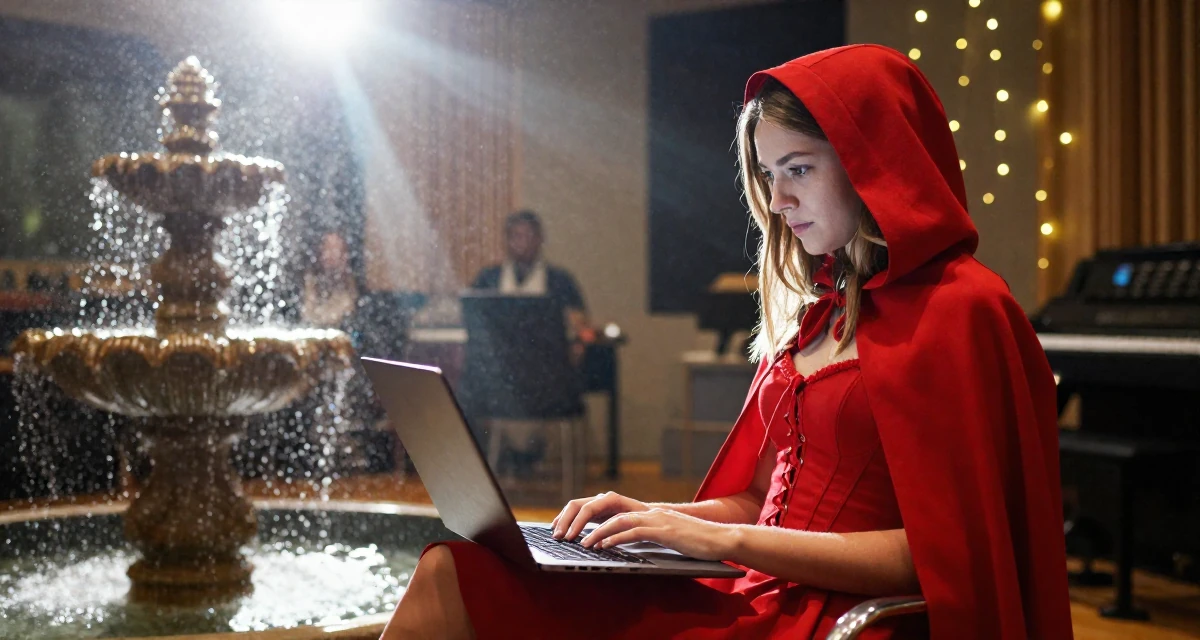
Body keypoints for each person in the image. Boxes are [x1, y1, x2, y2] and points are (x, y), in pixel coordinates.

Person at [381, 45, 1073, 639]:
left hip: (835, 620)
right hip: (755, 591)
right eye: (769, 175)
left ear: (873, 163)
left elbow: (946, 556)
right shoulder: (818, 311)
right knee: (455, 571)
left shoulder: (965, 309)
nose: (777, 201)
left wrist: (722, 540)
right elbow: (762, 497)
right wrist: (654, 517)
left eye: (798, 168)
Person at [471, 209, 595, 346]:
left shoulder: (560, 280)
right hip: (498, 353)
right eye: (516, 236)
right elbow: (473, 318)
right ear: (506, 241)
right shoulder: (488, 278)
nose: (523, 243)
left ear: (539, 239)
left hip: (547, 353)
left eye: (529, 236)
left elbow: (580, 323)